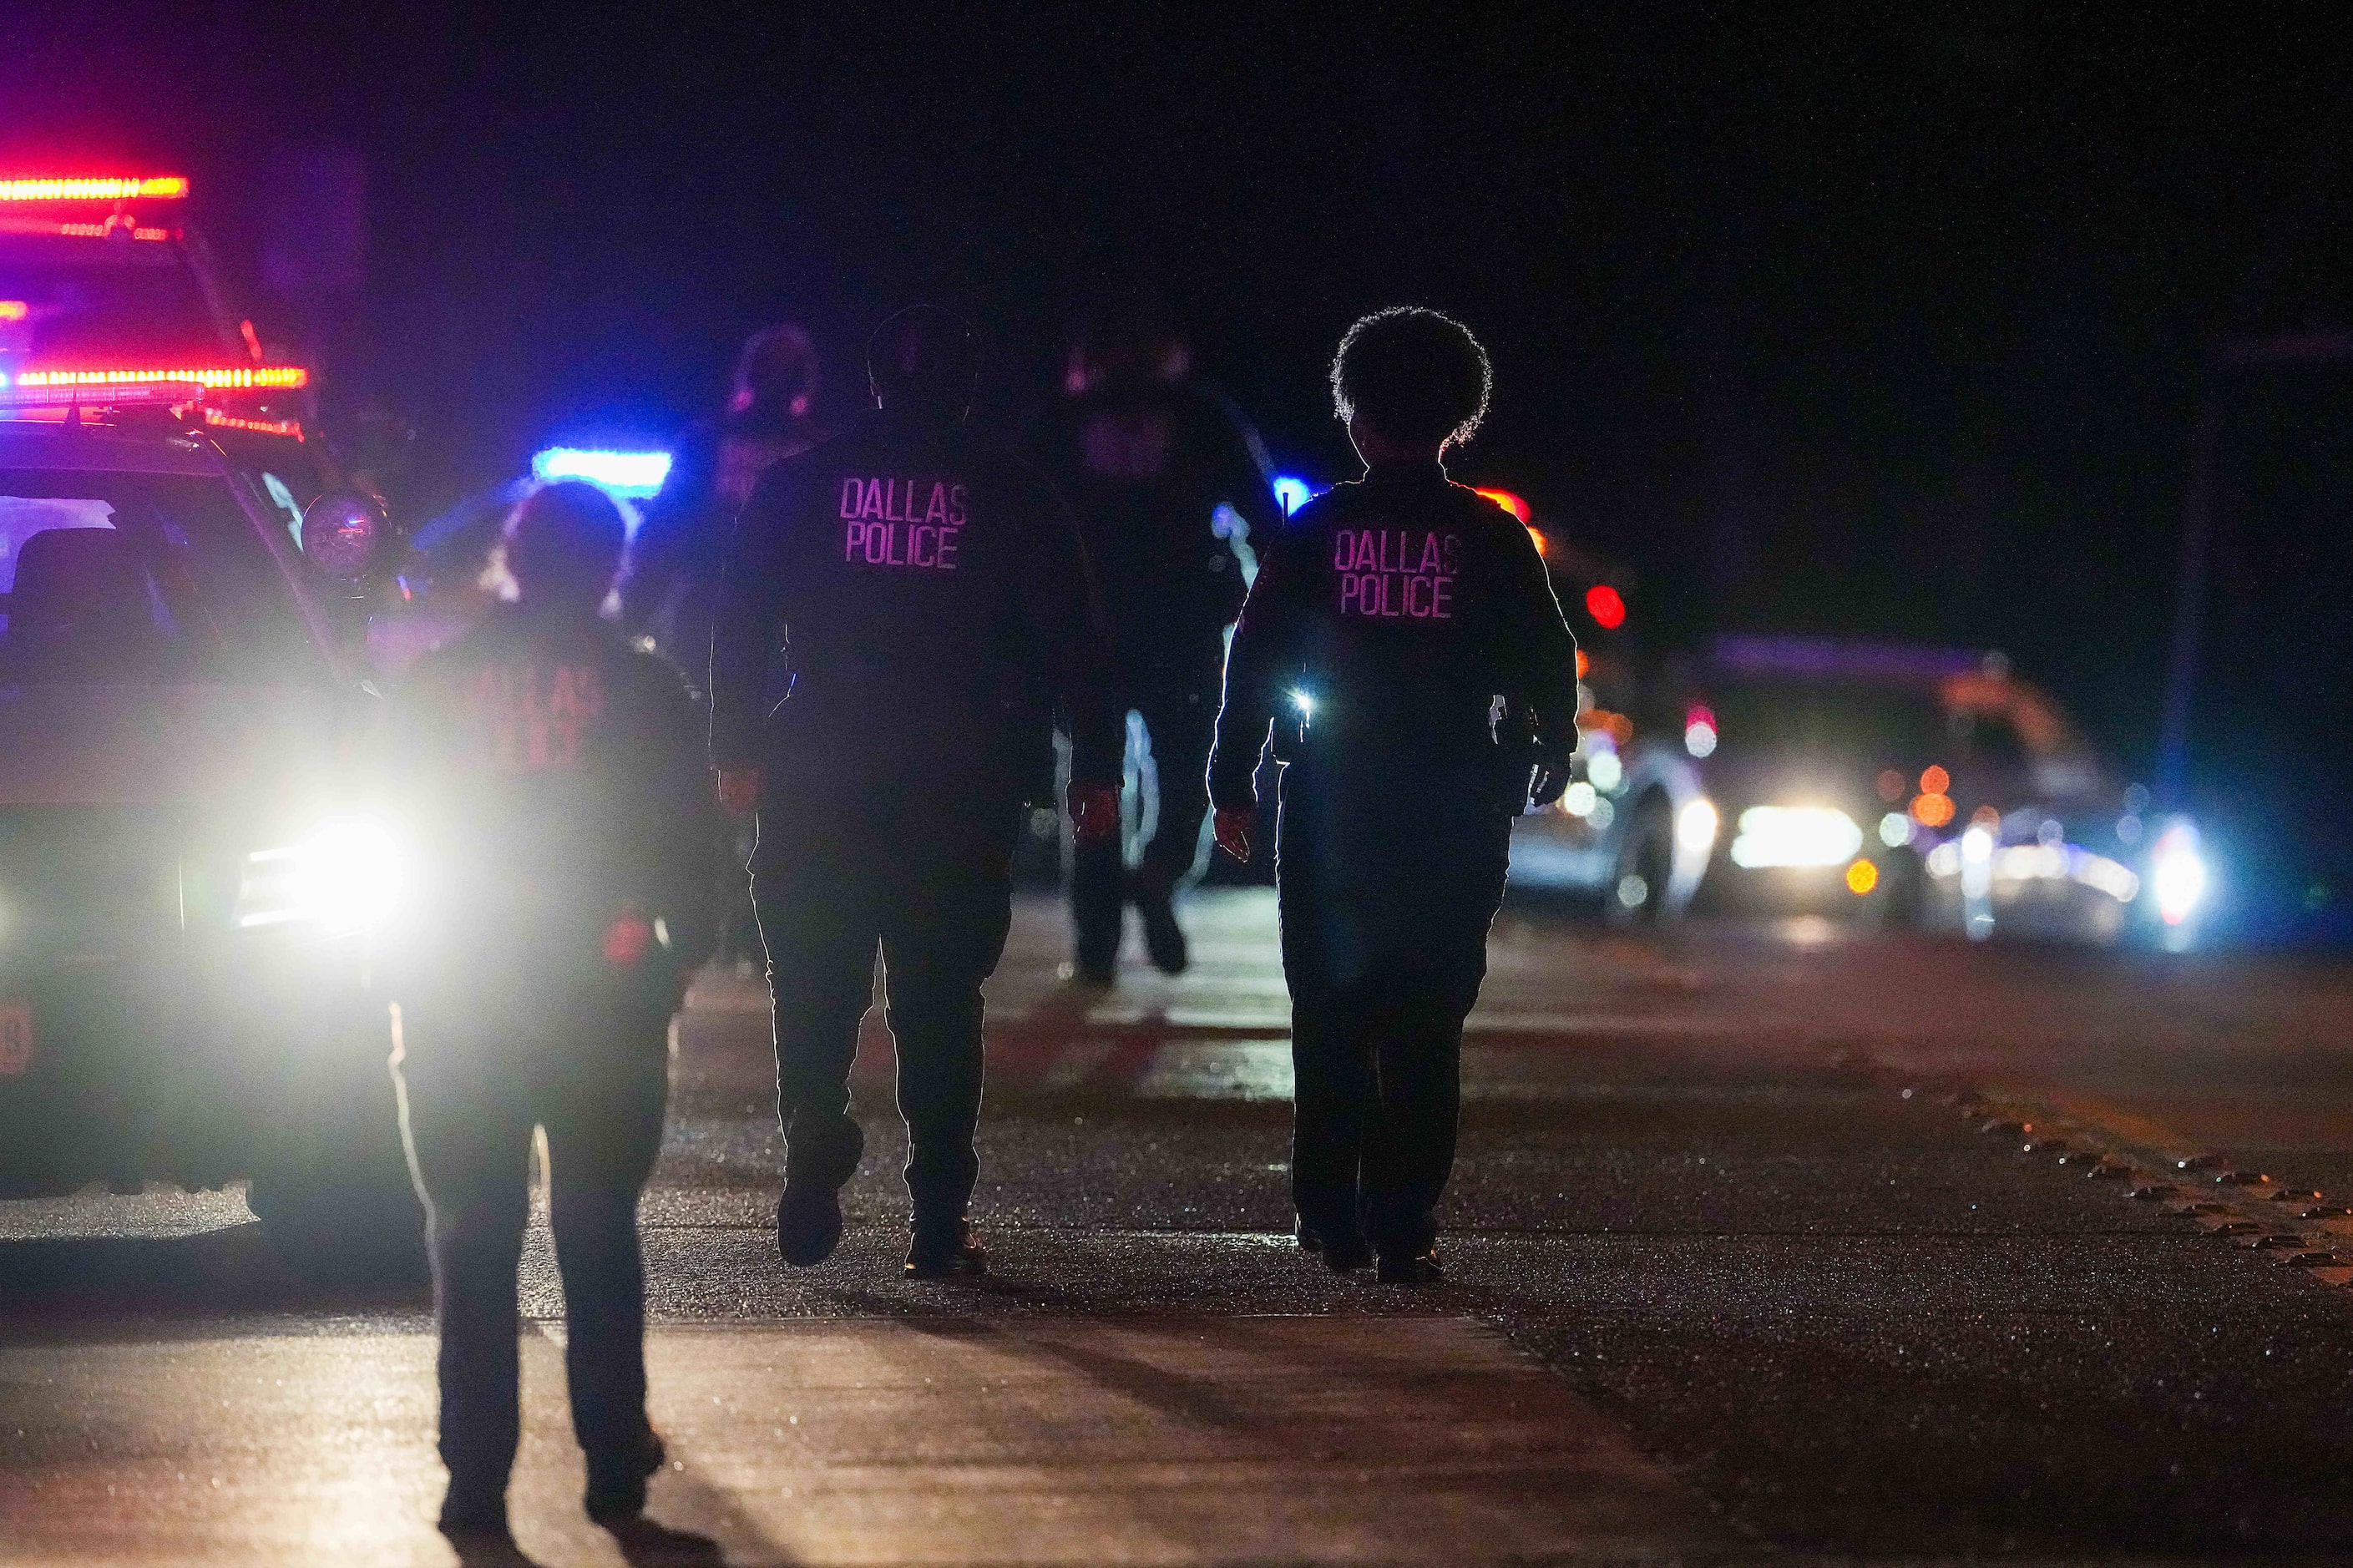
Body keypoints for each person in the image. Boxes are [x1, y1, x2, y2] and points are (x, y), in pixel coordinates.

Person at [709, 305, 1122, 1279]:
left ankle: (814, 1120)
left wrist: (734, 745)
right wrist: (1094, 765)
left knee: (811, 978)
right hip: (962, 776)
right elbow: (1079, 640)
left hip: (818, 764)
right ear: (970, 384)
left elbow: (740, 619)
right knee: (941, 1000)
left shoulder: (799, 482)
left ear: (872, 380)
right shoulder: (1013, 490)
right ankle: (938, 1221)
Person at [1207, 308, 1578, 1284]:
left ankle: (1331, 1210)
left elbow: (1255, 656)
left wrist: (1229, 777)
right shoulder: (1492, 537)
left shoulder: (1318, 529)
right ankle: (1404, 1215)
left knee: (1328, 1009)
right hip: (1457, 805)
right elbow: (1548, 654)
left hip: (1336, 801)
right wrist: (1554, 747)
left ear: (1356, 419)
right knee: (1427, 1017)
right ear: (1461, 417)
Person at [389, 481, 721, 1536]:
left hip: (460, 998)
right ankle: (614, 1460)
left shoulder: (436, 688)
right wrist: (674, 961)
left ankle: (474, 1478)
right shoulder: (644, 691)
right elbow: (696, 852)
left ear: (510, 558)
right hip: (601, 997)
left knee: (472, 1233)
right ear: (613, 567)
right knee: (596, 1229)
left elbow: (389, 830)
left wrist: (401, 965)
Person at [1023, 294, 1283, 984]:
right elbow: (1263, 516)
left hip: (1095, 633)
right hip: (1181, 629)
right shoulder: (1202, 415)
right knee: (1181, 780)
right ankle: (1156, 885)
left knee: (1097, 786)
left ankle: (1099, 943)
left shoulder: (1063, 421)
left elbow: (1017, 520)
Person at [625, 321, 831, 666]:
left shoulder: (705, 441)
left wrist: (635, 610)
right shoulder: (818, 450)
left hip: (712, 610)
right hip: (769, 617)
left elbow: (662, 533)